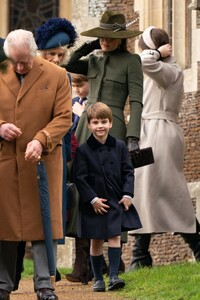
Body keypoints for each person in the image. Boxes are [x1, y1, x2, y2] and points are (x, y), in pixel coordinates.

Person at [64, 9, 144, 271]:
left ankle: (115, 260)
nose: (104, 41)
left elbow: (136, 100)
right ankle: (81, 261)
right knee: (79, 182)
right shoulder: (95, 59)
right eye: (101, 36)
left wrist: (132, 136)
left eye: (109, 37)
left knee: (111, 186)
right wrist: (90, 43)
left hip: (115, 127)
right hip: (86, 127)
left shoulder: (132, 61)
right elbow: (71, 63)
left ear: (121, 39)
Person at [0, 29, 72, 300]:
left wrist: (42, 139)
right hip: (6, 160)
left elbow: (64, 117)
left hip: (43, 160)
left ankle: (45, 285)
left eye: (24, 62)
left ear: (34, 52)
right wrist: (1, 127)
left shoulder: (56, 76)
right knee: (5, 224)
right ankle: (3, 284)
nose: (19, 67)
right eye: (14, 62)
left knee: (44, 222)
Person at [129, 26, 200, 270]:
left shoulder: (167, 68)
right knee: (142, 190)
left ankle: (197, 245)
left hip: (159, 133)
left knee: (167, 190)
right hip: (149, 132)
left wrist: (155, 53)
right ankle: (140, 256)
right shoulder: (162, 66)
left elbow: (141, 61)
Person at [13, 17, 77, 290]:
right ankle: (14, 272)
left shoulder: (64, 77)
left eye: (61, 54)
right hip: (20, 149)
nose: (57, 59)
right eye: (51, 54)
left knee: (50, 211)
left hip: (53, 150)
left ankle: (49, 270)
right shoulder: (21, 70)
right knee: (15, 211)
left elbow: (64, 116)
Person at [73, 102, 142, 292]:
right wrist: (92, 199)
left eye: (104, 121)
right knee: (95, 240)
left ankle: (113, 276)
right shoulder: (83, 150)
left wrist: (128, 194)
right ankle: (98, 279)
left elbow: (128, 172)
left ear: (111, 123)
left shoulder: (120, 146)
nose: (100, 126)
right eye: (95, 122)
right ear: (89, 125)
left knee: (114, 237)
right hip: (93, 203)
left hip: (114, 200)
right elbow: (79, 178)